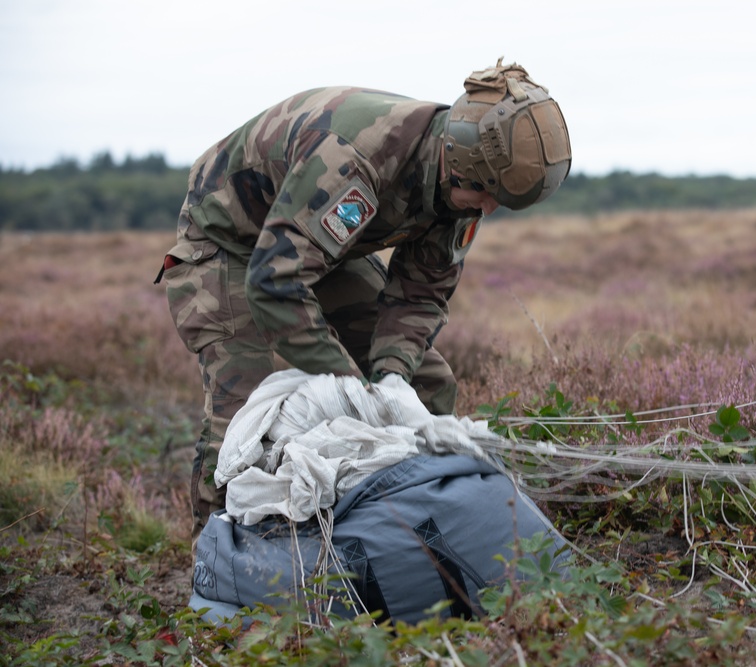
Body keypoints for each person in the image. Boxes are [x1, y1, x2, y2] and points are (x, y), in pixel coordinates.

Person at [156, 59, 572, 537]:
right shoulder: (355, 161)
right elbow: (275, 284)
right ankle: (219, 557)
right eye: (483, 193)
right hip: (227, 244)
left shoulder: (463, 183)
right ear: (456, 163)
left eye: (498, 199)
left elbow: (420, 295)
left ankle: (412, 532)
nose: (488, 207)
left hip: (313, 245)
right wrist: (357, 392)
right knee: (247, 412)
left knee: (426, 386)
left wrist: (391, 378)